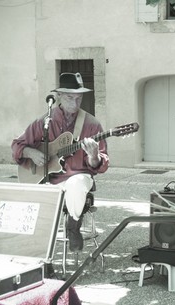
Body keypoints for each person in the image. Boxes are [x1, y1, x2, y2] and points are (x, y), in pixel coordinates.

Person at [11, 72, 109, 252]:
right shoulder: (45, 121)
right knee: (35, 205)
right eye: (70, 97)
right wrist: (31, 152)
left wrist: (93, 156)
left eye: (79, 98)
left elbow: (101, 165)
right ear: (59, 97)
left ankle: (73, 228)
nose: (75, 102)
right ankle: (42, 257)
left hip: (78, 175)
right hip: (49, 179)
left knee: (76, 182)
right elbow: (17, 145)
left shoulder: (92, 124)